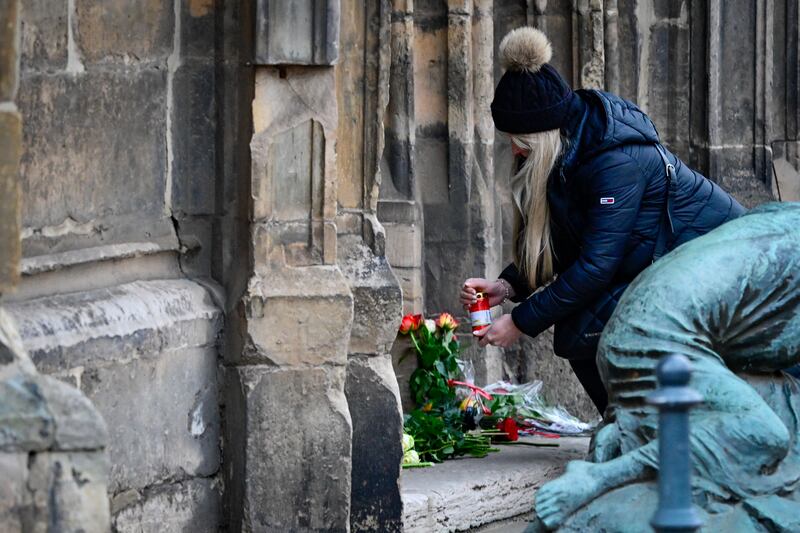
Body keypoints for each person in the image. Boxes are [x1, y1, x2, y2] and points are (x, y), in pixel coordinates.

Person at [460, 27, 745, 414]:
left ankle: (629, 429)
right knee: (580, 325)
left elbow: (596, 265)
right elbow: (568, 240)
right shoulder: (574, 147)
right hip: (666, 265)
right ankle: (626, 428)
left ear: (543, 133)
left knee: (581, 326)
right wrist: (507, 286)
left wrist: (521, 322)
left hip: (726, 269)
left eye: (520, 140)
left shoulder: (614, 162)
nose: (514, 149)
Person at [532, 202, 800, 531]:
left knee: (780, 397)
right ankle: (598, 478)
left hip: (633, 325)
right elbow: (778, 345)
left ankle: (626, 432)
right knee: (765, 434)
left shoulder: (784, 218)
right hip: (660, 343)